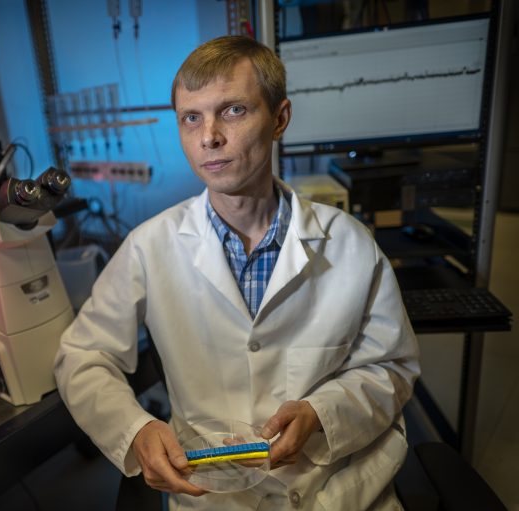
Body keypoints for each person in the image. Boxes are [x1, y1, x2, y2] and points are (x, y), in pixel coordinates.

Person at [54, 35, 420, 510]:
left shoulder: (350, 244)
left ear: (280, 118)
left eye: (233, 110)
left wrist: (321, 414)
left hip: (338, 491)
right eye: (191, 118)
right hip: (213, 495)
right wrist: (136, 429)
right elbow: (83, 356)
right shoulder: (149, 246)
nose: (209, 136)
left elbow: (392, 366)